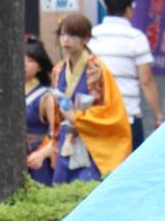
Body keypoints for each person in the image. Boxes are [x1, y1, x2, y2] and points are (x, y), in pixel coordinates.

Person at [0, 36, 59, 186]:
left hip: (35, 159)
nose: (24, 65)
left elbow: (58, 132)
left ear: (40, 66)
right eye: (21, 59)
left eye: (30, 61)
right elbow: (1, 118)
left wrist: (43, 153)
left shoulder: (47, 97)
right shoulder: (13, 91)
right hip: (9, 154)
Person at [51, 11, 131, 184]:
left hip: (92, 140)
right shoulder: (58, 70)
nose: (65, 40)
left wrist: (78, 118)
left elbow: (108, 110)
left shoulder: (96, 70)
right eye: (62, 34)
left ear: (86, 39)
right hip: (66, 137)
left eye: (72, 35)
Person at [89, 0, 163, 150]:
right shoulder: (136, 37)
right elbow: (146, 81)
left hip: (98, 114)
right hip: (127, 114)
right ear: (128, 9)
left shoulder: (93, 36)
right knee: (130, 169)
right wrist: (158, 115)